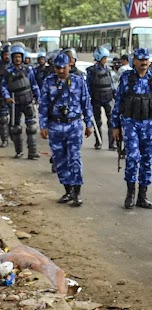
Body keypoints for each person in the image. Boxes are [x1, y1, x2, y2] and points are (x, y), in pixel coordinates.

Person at [38, 53, 94, 206]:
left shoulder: (78, 81)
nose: (61, 70)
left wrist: (89, 124)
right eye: (58, 68)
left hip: (74, 125)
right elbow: (42, 106)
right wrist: (42, 125)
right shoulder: (48, 82)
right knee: (60, 159)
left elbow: (86, 104)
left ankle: (77, 192)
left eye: (64, 67)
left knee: (74, 158)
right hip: (55, 126)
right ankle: (67, 189)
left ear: (70, 66)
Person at [112, 48, 152, 210]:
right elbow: (119, 102)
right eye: (141, 60)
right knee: (133, 157)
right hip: (130, 122)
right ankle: (130, 194)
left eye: (146, 60)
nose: (144, 63)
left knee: (146, 159)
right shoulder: (127, 78)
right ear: (134, 61)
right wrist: (115, 126)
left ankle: (143, 195)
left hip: (149, 124)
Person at [2, 45, 41, 159]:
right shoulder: (8, 72)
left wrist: (38, 97)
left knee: (31, 127)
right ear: (12, 57)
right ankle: (19, 151)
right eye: (15, 57)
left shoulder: (28, 70)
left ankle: (32, 152)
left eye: (19, 57)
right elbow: (4, 87)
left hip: (28, 100)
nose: (17, 59)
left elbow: (34, 85)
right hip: (15, 102)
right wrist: (7, 97)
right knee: (16, 128)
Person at [86, 47, 116, 150]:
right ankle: (98, 142)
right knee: (97, 121)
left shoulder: (108, 70)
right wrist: (88, 97)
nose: (105, 60)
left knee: (111, 121)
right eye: (104, 58)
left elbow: (112, 84)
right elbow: (88, 85)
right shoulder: (91, 71)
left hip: (108, 98)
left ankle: (112, 144)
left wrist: (115, 94)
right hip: (96, 99)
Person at [0, 44, 10, 148]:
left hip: (15, 96)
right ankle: (5, 140)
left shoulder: (15, 67)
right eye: (5, 54)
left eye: (9, 54)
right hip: (2, 96)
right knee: (2, 119)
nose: (7, 56)